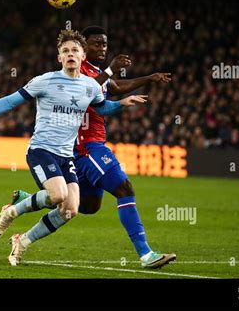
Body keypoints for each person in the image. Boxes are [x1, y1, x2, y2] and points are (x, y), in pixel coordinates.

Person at [0, 29, 147, 266]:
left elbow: (102, 109)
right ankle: (11, 212)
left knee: (70, 210)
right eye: (65, 51)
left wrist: (122, 104)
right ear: (59, 58)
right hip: (41, 151)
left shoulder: (91, 87)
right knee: (58, 195)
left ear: (83, 56)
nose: (70, 54)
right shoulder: (45, 81)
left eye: (75, 50)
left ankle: (22, 241)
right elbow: (10, 101)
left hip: (67, 156)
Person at [14, 26, 175, 268]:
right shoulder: (77, 72)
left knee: (87, 207)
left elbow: (115, 88)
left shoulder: (96, 72)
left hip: (86, 147)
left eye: (104, 44)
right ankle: (146, 254)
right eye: (96, 44)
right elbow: (87, 89)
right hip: (85, 146)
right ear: (83, 47)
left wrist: (148, 78)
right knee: (124, 188)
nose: (102, 48)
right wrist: (111, 70)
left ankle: (29, 208)